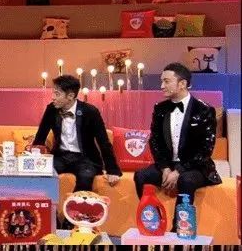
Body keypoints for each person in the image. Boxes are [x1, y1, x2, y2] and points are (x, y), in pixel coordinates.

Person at [134, 62, 221, 230]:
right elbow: (155, 141)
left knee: (185, 180)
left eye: (166, 81)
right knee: (141, 176)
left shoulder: (204, 110)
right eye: (162, 81)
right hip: (168, 165)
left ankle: (178, 230)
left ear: (182, 84)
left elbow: (205, 149)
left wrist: (179, 171)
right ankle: (154, 222)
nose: (161, 86)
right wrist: (165, 168)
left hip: (195, 166)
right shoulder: (160, 108)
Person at [32, 75, 122, 192]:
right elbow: (41, 135)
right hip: (60, 156)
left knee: (85, 178)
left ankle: (76, 203)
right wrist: (33, 157)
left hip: (85, 158)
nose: (53, 97)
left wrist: (112, 170)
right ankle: (45, 203)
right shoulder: (52, 109)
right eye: (53, 93)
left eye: (57, 94)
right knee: (41, 174)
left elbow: (103, 141)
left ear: (70, 96)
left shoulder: (90, 111)